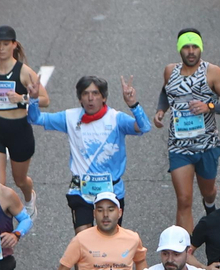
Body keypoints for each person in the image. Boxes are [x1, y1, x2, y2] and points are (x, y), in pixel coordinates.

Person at [26, 74, 151, 232]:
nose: (90, 98)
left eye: (95, 93)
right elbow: (35, 119)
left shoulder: (116, 119)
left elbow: (144, 127)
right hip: (81, 191)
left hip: (111, 192)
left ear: (104, 97)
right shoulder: (70, 117)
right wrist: (34, 99)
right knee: (84, 241)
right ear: (80, 99)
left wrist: (133, 105)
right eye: (85, 94)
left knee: (109, 242)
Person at [152, 31, 220, 232]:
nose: (191, 52)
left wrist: (209, 106)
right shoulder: (169, 71)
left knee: (208, 191)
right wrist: (160, 110)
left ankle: (210, 207)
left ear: (201, 48)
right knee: (184, 199)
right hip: (179, 147)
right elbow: (166, 92)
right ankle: (186, 250)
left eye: (195, 47)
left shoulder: (213, 72)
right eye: (186, 47)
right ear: (179, 49)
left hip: (206, 145)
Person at [0, 26, 47, 212]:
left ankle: (29, 196)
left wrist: (23, 98)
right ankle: (3, 222)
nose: (1, 48)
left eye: (5, 44)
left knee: (20, 180)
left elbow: (45, 99)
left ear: (14, 45)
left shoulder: (24, 72)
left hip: (19, 130)